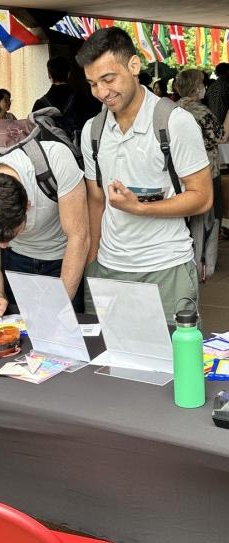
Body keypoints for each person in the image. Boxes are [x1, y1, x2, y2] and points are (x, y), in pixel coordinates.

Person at [77, 27, 213, 322]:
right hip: (108, 269)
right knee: (106, 365)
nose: (101, 92)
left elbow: (202, 198)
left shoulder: (174, 122)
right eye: (92, 84)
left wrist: (140, 208)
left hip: (166, 269)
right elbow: (96, 201)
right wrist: (92, 265)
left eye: (108, 79)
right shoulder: (92, 131)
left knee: (174, 364)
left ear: (134, 66)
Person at [0, 142, 89, 318]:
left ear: (27, 206)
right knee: (21, 329)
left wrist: (59, 305)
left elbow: (79, 237)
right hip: (17, 260)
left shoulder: (55, 160)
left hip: (64, 257)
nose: (3, 246)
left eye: (10, 235)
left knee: (65, 327)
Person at [175, 69, 224, 280]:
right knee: (210, 220)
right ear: (197, 87)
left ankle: (187, 263)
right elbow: (219, 136)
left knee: (186, 221)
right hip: (207, 173)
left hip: (178, 175)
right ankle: (206, 265)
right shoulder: (203, 113)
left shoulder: (172, 110)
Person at [32, 55, 100, 142]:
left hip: (53, 153)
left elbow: (35, 134)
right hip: (81, 150)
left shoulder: (39, 105)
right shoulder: (82, 99)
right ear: (69, 74)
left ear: (49, 75)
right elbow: (95, 126)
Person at [205, 62, 229, 135]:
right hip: (223, 123)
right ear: (227, 72)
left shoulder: (212, 86)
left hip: (212, 122)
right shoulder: (226, 85)